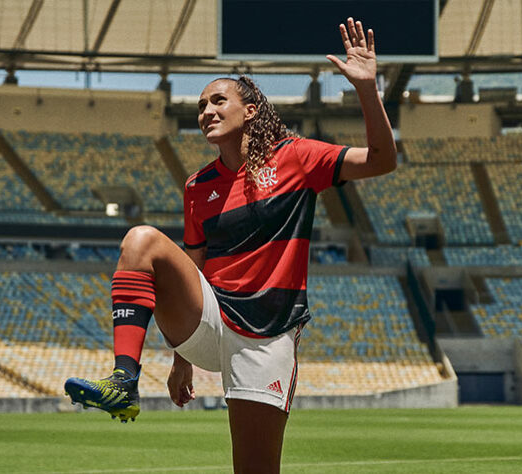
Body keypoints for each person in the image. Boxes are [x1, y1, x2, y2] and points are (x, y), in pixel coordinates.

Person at [65, 17, 396, 473]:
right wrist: (181, 362)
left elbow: (382, 160)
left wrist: (366, 89)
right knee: (140, 240)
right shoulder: (197, 185)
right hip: (210, 322)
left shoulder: (296, 157)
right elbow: (194, 266)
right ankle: (124, 381)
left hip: (265, 336)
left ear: (252, 110)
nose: (206, 111)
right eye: (201, 106)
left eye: (218, 100)